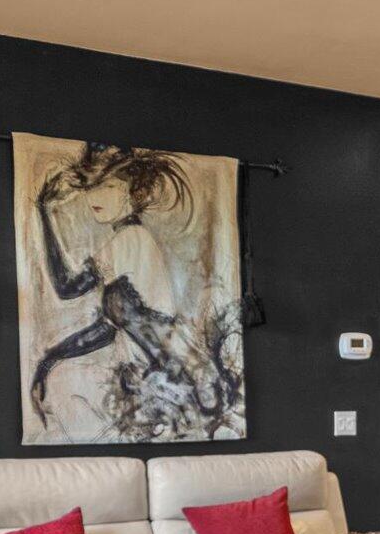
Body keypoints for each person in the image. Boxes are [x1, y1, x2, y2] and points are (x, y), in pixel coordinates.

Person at [28, 143, 237, 437]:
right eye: (91, 187)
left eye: (108, 186)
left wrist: (44, 213)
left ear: (132, 191)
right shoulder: (127, 241)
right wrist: (49, 360)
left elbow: (71, 291)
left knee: (70, 391)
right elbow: (104, 322)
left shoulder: (131, 239)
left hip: (177, 382)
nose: (95, 197)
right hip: (163, 381)